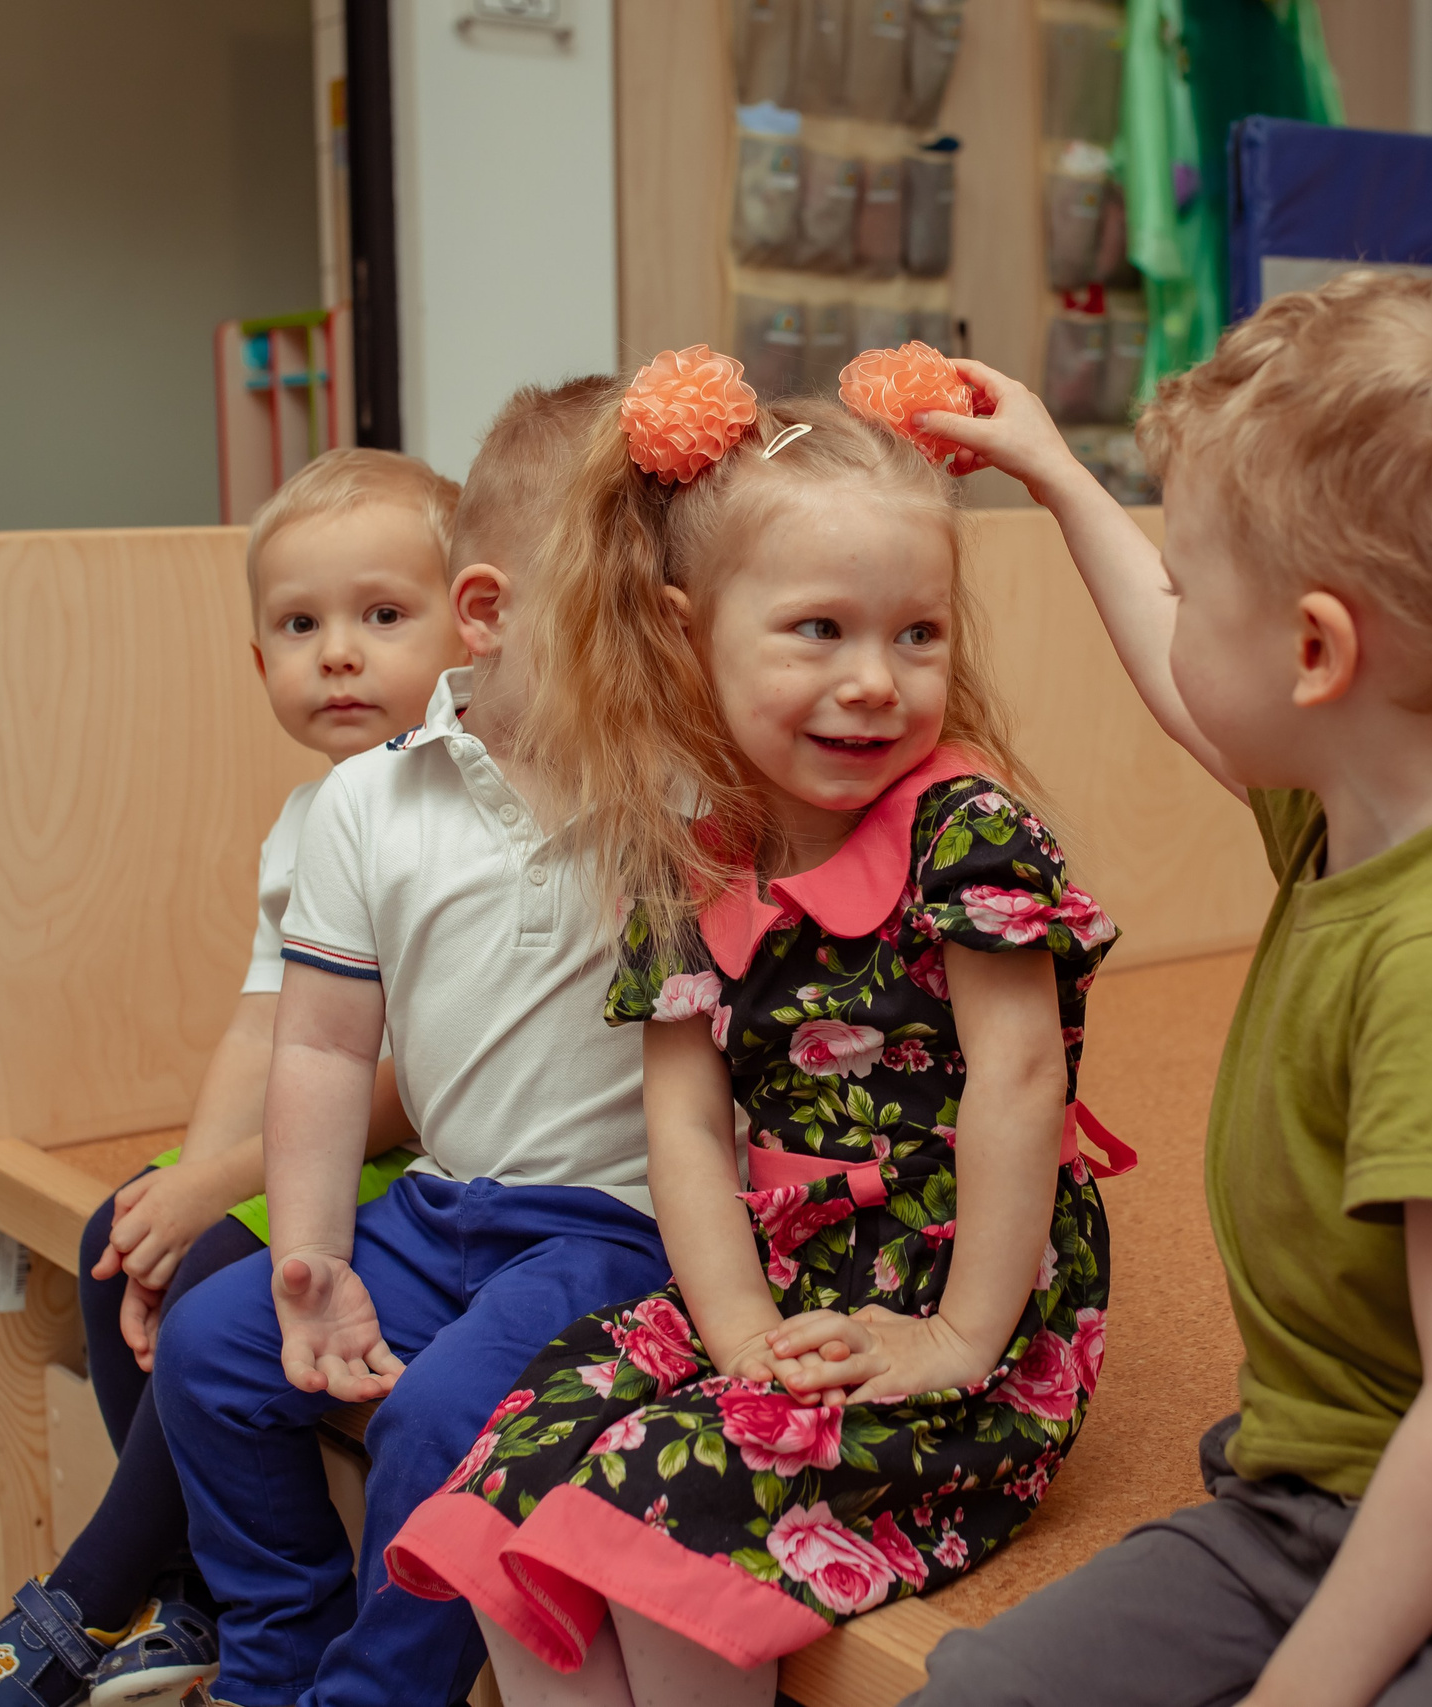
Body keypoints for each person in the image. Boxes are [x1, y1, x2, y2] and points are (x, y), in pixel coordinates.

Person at [898, 272, 1432, 1706]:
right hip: (1303, 1495)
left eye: (1197, 577)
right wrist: (1053, 468)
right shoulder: (1357, 794)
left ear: (1317, 653)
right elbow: (1181, 663)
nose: (1177, 607)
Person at [388, 346, 1126, 1707]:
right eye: (819, 631)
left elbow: (1020, 1076)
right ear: (687, 631)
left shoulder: (969, 831)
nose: (876, 681)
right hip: (775, 1279)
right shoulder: (690, 857)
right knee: (510, 1469)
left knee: (669, 1523)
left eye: (918, 633)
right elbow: (682, 1114)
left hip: (962, 1290)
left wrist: (960, 1338)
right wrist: (732, 1334)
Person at [0, 446, 464, 1707]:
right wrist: (182, 1181)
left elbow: (429, 1080)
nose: (337, 653)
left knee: (210, 1258)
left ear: (471, 622)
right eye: (299, 626)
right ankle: (197, 1592)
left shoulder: (458, 807)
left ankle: (93, 1599)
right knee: (127, 1240)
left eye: (382, 616)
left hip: (434, 1167)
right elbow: (268, 1026)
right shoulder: (313, 816)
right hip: (318, 1141)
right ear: (258, 662)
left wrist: (226, 1189)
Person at [150, 375, 683, 1707]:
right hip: (443, 1200)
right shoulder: (368, 802)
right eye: (630, 616)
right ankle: (277, 1640)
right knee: (217, 1348)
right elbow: (326, 1048)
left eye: (687, 611)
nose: (675, 646)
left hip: (613, 1229)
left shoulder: (688, 788)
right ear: (488, 614)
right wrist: (316, 1249)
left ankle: (379, 1691)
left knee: (447, 1415)